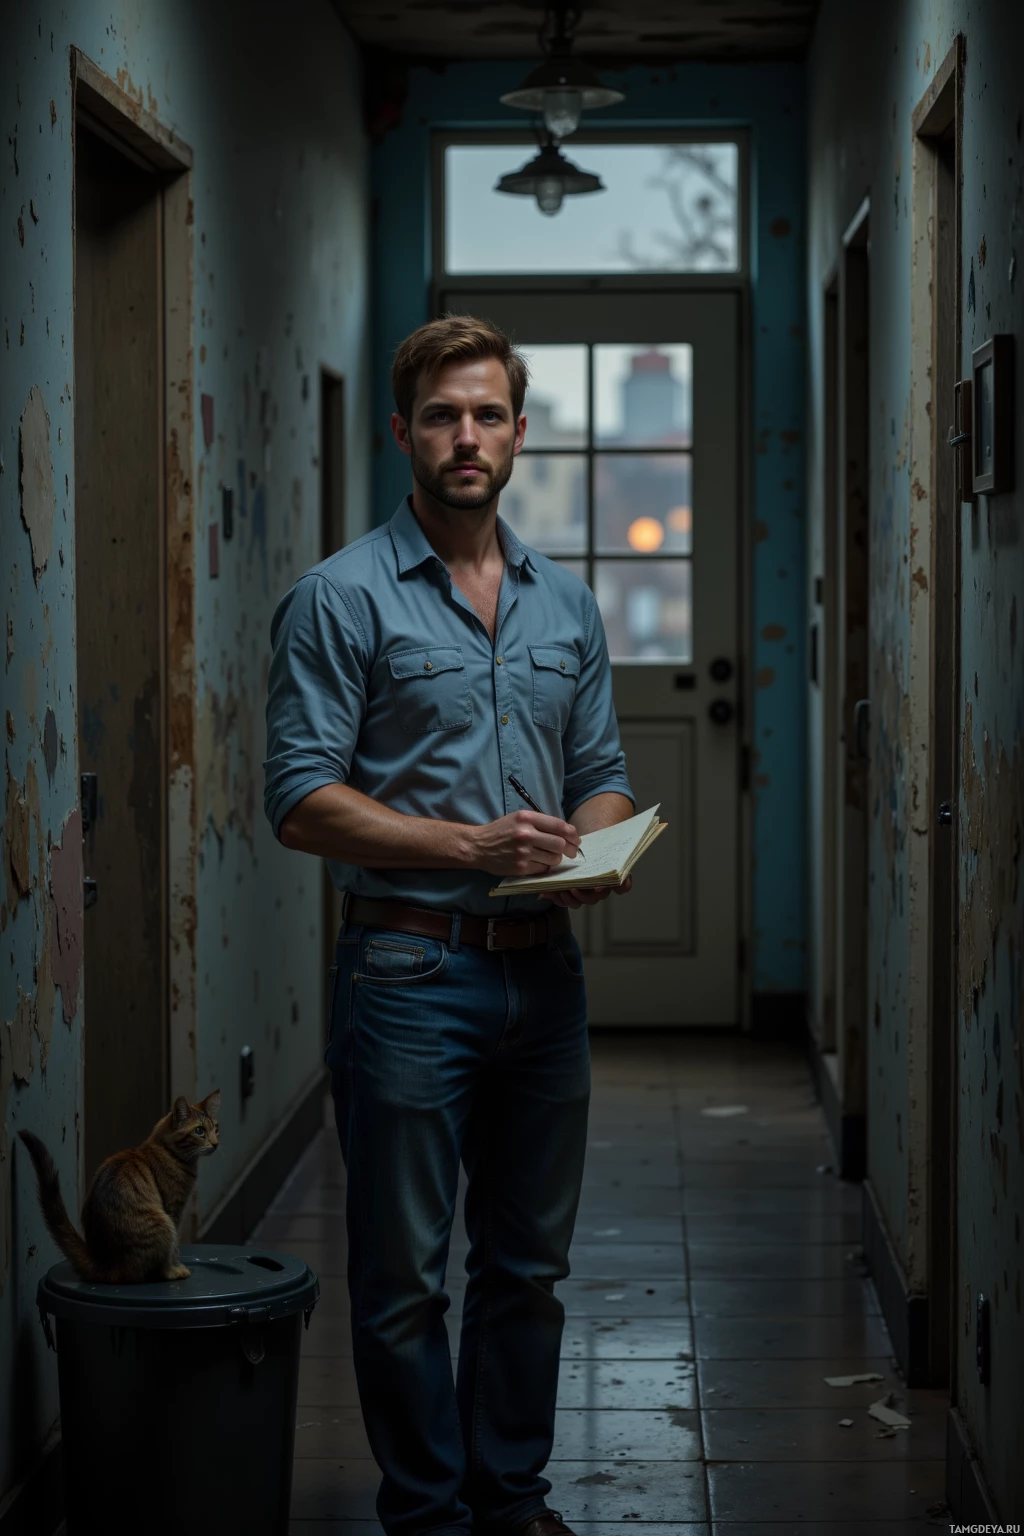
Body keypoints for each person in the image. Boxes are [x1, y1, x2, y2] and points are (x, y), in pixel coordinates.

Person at [264, 315, 635, 1536]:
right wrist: (471, 846)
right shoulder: (339, 598)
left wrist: (590, 843)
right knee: (403, 1279)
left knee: (527, 1269)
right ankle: (426, 1513)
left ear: (519, 433)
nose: (464, 437)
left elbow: (601, 773)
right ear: (402, 433)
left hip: (545, 978)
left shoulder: (564, 604)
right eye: (440, 416)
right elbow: (300, 801)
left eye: (485, 415)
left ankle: (508, 1496)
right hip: (406, 969)